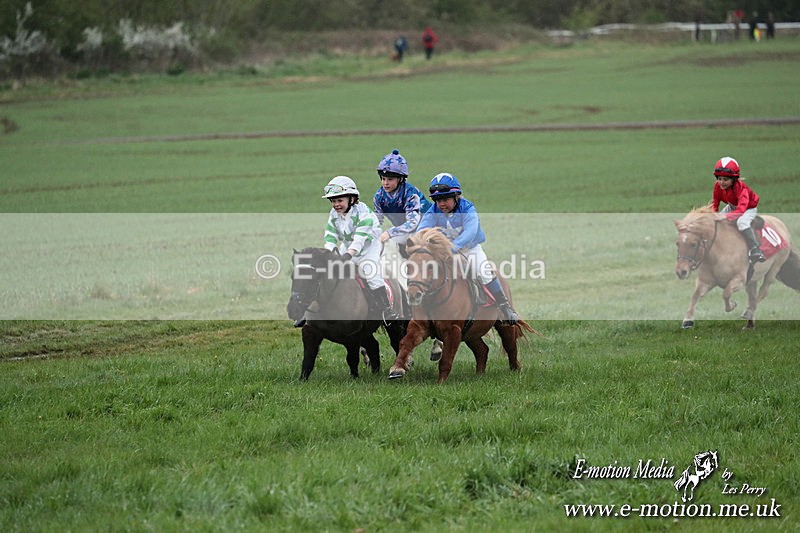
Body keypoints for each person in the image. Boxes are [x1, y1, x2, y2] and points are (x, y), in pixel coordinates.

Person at [293, 175, 399, 327]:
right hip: (347, 247)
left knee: (372, 274)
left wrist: (348, 255)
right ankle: (309, 312)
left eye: (340, 200)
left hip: (368, 249)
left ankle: (386, 310)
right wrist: (329, 255)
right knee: (324, 274)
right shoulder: (334, 215)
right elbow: (330, 235)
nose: (336, 204)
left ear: (352, 199)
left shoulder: (363, 214)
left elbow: (359, 239)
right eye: (333, 201)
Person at [416, 172, 520, 324]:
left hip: (469, 249)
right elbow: (422, 230)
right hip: (445, 253)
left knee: (483, 271)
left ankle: (505, 307)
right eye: (437, 200)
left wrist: (452, 247)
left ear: (456, 196)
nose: (441, 204)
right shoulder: (433, 211)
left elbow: (471, 232)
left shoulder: (468, 208)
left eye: (445, 199)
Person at [373, 149, 442, 360]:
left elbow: (412, 223)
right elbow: (376, 222)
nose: (386, 182)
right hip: (403, 235)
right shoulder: (379, 195)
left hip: (424, 233)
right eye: (384, 178)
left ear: (401, 178)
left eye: (390, 178)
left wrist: (389, 233)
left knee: (391, 242)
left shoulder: (410, 194)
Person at [710, 157, 766, 263]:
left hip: (748, 208)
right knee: (716, 221)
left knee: (742, 222)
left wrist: (725, 216)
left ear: (734, 179)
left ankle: (755, 249)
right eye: (719, 178)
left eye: (725, 179)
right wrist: (713, 215)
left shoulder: (741, 188)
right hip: (733, 205)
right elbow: (715, 203)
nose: (721, 182)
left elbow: (741, 210)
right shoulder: (717, 186)